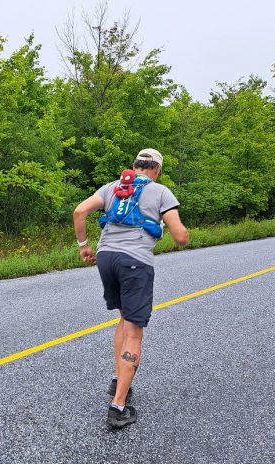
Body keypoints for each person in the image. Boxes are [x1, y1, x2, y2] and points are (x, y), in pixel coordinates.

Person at [72, 148, 189, 428]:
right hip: (135, 262)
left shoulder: (113, 187)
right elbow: (180, 236)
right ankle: (119, 407)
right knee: (135, 331)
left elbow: (80, 211)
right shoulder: (161, 192)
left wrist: (83, 246)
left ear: (135, 166)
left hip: (106, 259)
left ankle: (118, 379)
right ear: (157, 170)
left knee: (123, 317)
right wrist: (183, 235)